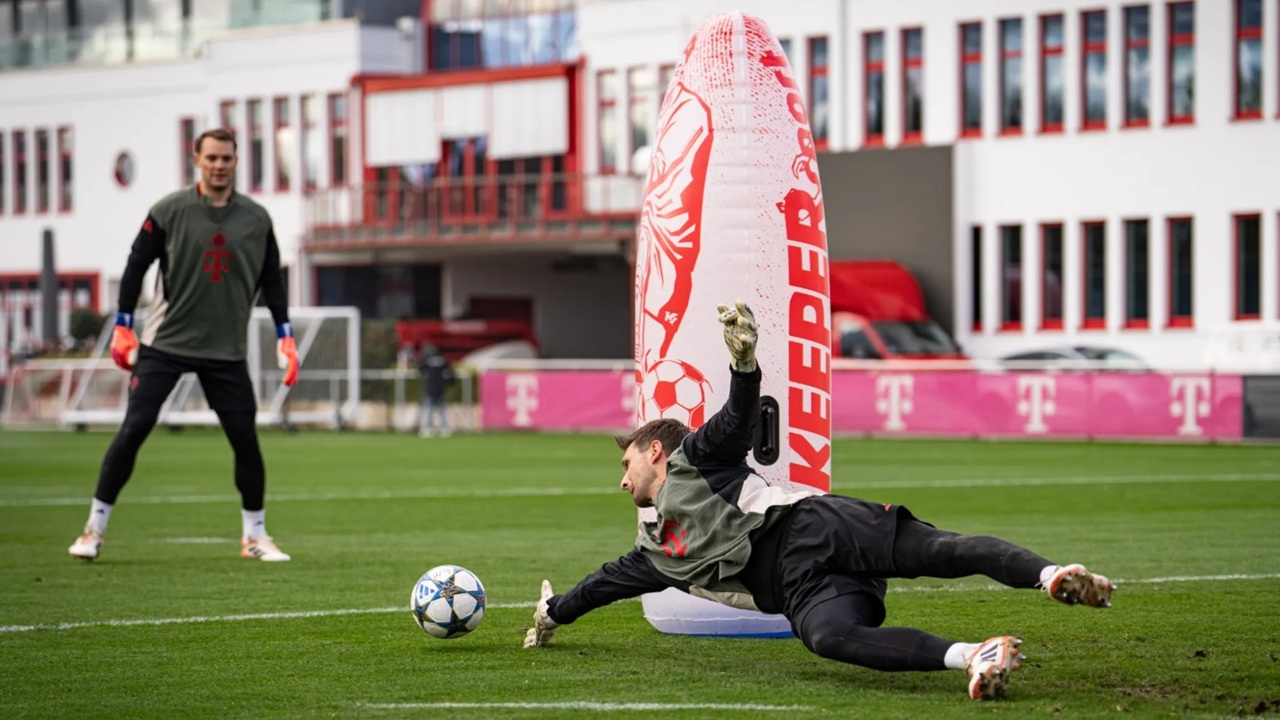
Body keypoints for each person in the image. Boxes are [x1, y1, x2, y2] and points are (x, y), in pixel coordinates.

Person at [522, 300, 1115, 701]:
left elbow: (735, 419)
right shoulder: (651, 552)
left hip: (813, 526)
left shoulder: (694, 458)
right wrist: (552, 614)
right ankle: (975, 656)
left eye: (625, 464)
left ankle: (1052, 574)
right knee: (827, 638)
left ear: (655, 451)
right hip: (800, 590)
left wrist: (745, 363)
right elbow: (597, 588)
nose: (622, 481)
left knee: (938, 549)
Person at [68, 128, 299, 563]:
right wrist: (123, 323)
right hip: (165, 342)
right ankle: (93, 530)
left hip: (226, 350)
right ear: (197, 159)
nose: (219, 165)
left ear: (235, 161)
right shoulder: (170, 210)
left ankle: (255, 537)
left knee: (245, 440)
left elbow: (273, 279)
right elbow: (137, 263)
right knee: (134, 429)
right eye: (211, 157)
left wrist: (285, 334)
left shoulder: (257, 218)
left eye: (226, 158)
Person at [416, 344, 455, 437]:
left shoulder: (427, 360)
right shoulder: (443, 360)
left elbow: (419, 367)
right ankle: (444, 429)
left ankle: (426, 428)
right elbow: (450, 371)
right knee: (442, 411)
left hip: (430, 388)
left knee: (427, 410)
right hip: (440, 388)